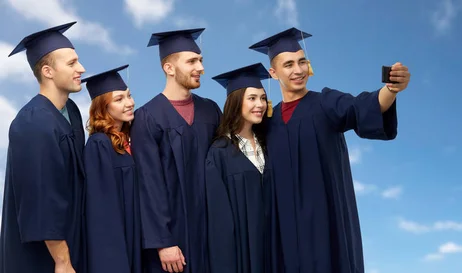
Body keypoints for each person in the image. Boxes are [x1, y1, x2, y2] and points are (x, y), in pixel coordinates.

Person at [248, 27, 411, 273]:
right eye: (289, 64)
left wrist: (391, 89)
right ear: (273, 72)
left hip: (325, 223)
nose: (298, 70)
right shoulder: (268, 121)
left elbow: (360, 107)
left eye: (302, 62)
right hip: (284, 227)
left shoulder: (325, 102)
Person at [130, 27, 222, 273]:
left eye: (201, 60)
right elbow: (148, 185)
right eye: (192, 61)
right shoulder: (147, 117)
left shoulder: (211, 110)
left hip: (212, 232)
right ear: (169, 68)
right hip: (173, 241)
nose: (200, 67)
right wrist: (163, 242)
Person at [1, 22, 87, 273]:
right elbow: (40, 199)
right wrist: (62, 261)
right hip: (44, 258)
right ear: (48, 71)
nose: (81, 68)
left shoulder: (69, 111)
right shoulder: (33, 122)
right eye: (71, 63)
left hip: (72, 240)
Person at [205, 63, 275, 273]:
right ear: (236, 102)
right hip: (241, 253)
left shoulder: (268, 144)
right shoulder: (219, 152)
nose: (260, 104)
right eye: (252, 98)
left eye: (263, 98)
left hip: (274, 246)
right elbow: (218, 219)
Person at [81, 64, 142, 273]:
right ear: (102, 108)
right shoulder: (99, 145)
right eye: (119, 99)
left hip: (137, 241)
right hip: (117, 248)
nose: (129, 103)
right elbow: (101, 213)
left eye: (129, 96)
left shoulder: (130, 142)